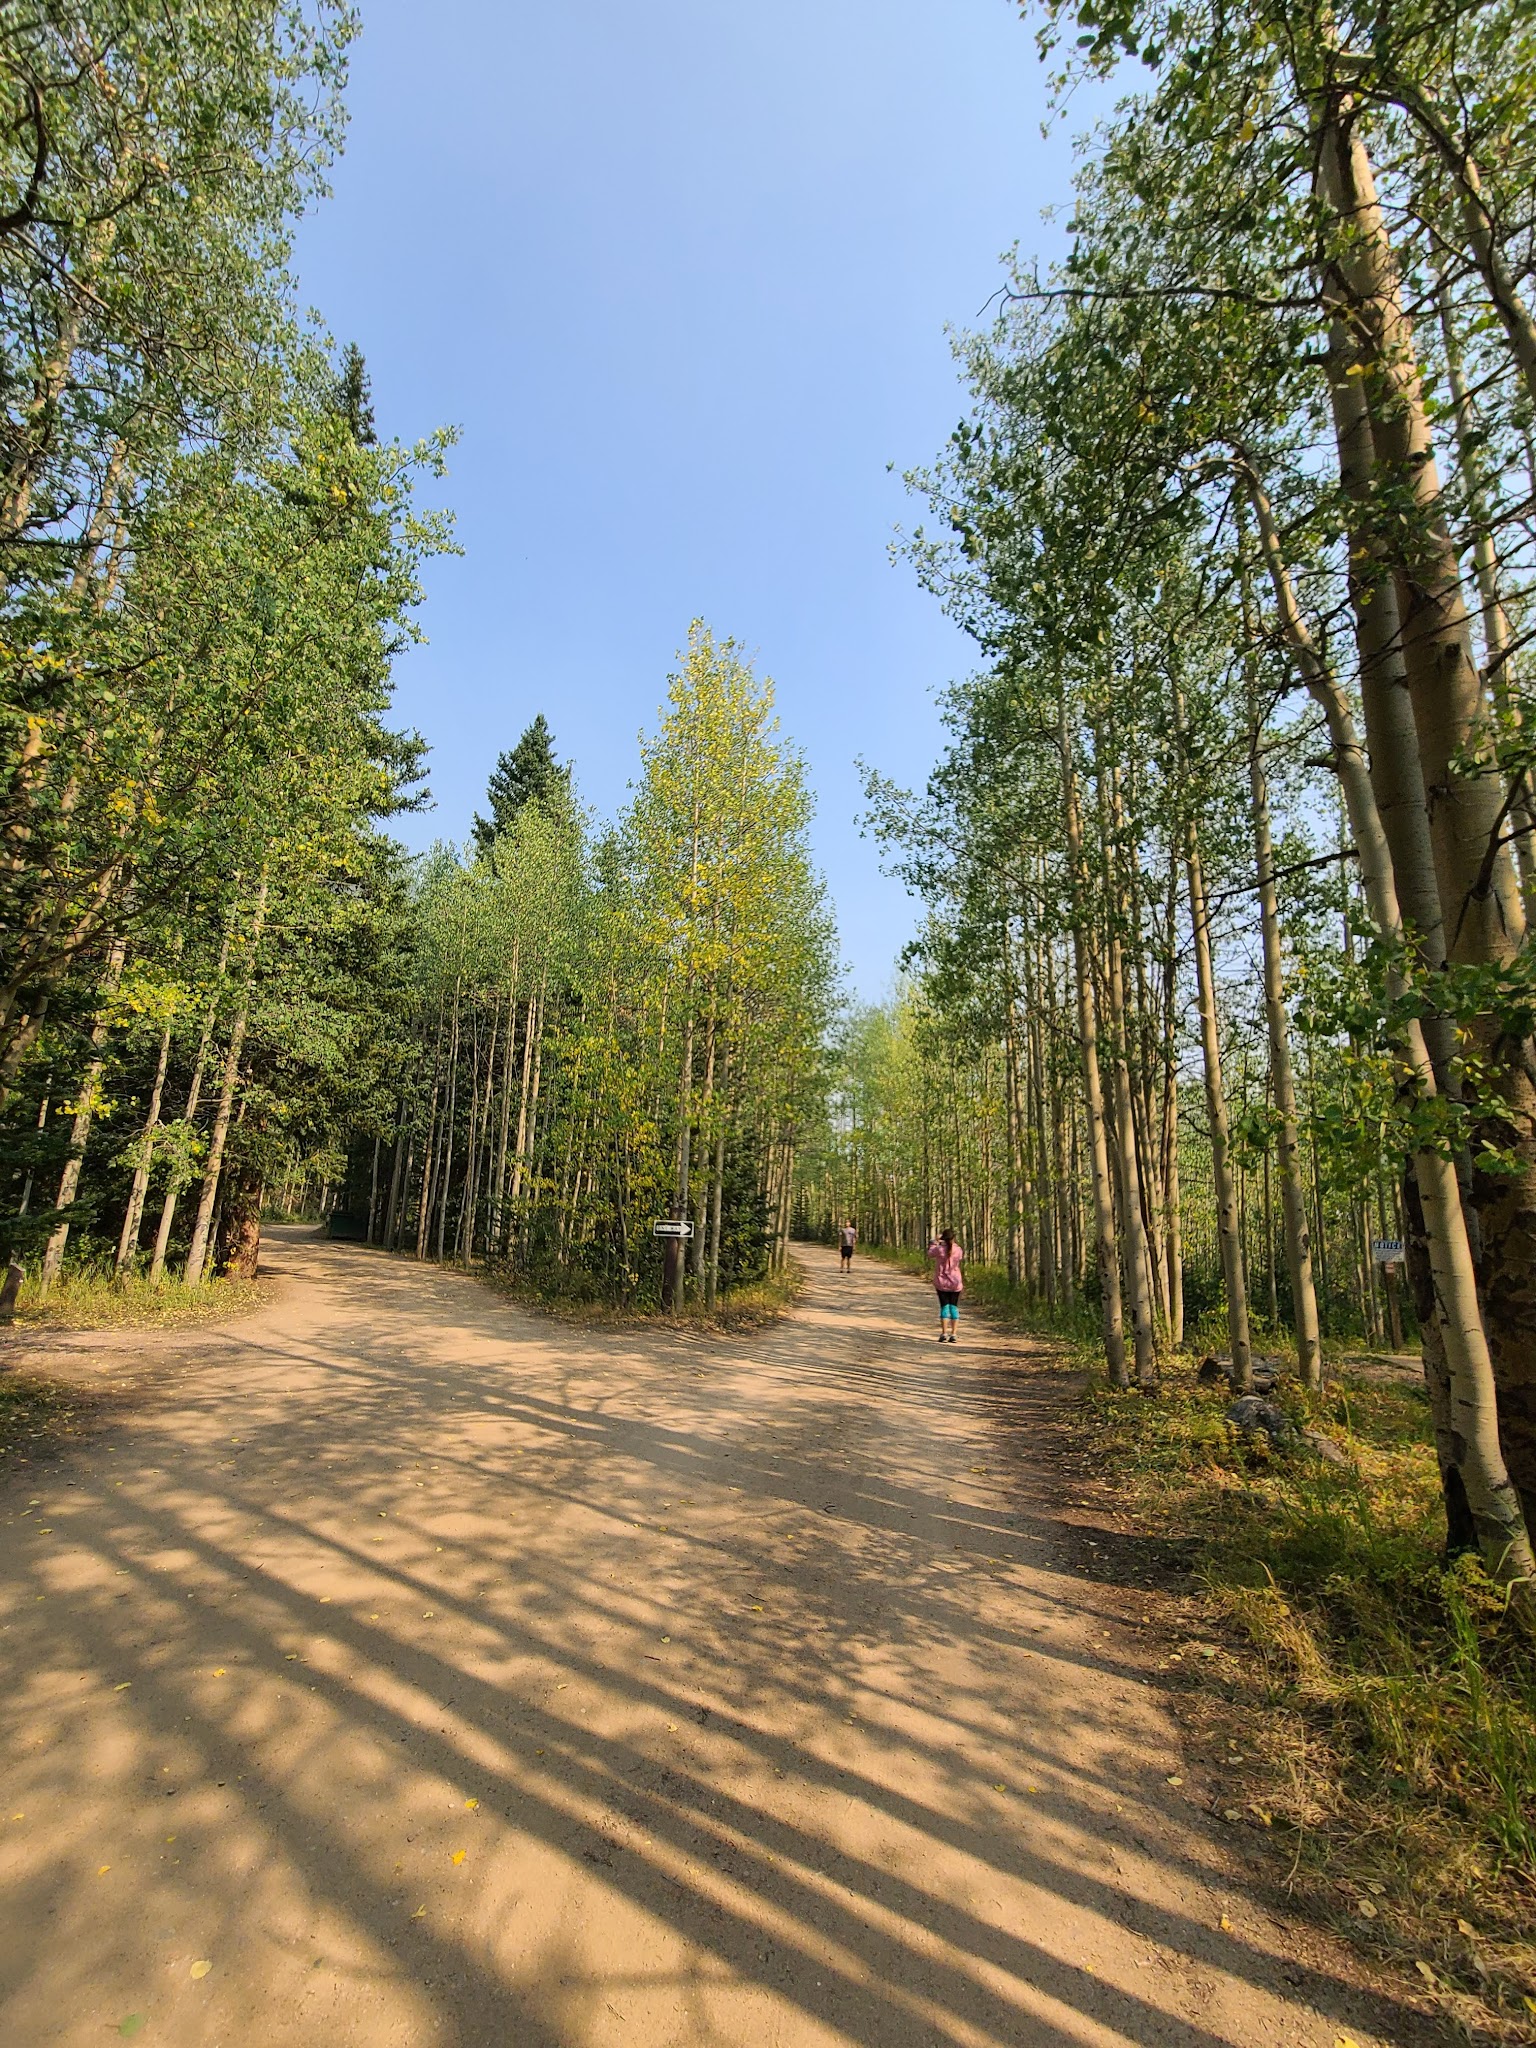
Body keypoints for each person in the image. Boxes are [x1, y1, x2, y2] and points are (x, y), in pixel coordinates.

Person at [927, 1228, 964, 1342]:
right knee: (954, 1307)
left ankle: (944, 1333)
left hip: (942, 1282)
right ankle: (954, 1334)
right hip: (955, 1283)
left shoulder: (939, 1249)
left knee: (944, 1307)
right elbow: (959, 1256)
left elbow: (930, 1253)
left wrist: (935, 1241)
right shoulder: (958, 1250)